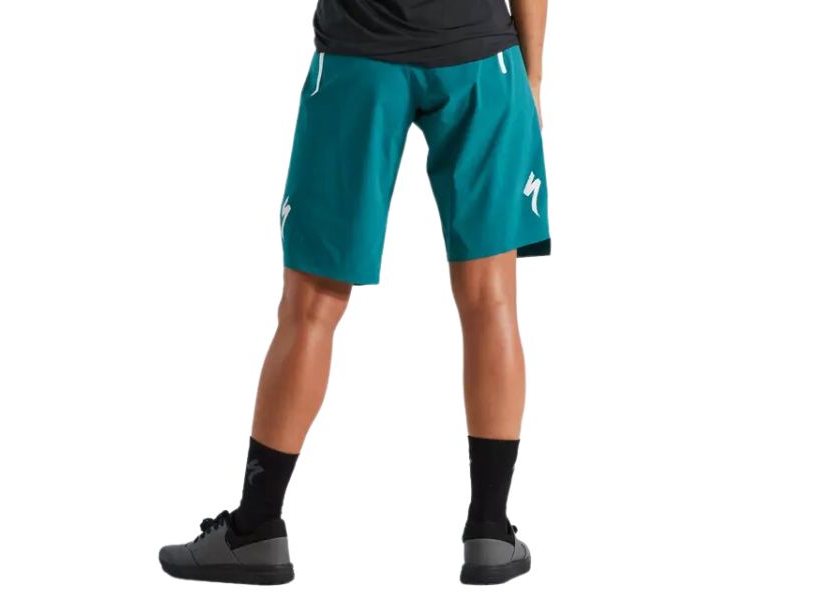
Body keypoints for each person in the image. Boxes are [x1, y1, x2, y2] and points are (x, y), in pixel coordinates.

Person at [159, 0, 549, 586]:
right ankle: (490, 532)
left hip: (359, 56)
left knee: (311, 306)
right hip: (482, 58)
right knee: (490, 299)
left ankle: (256, 528)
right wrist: (532, 75)